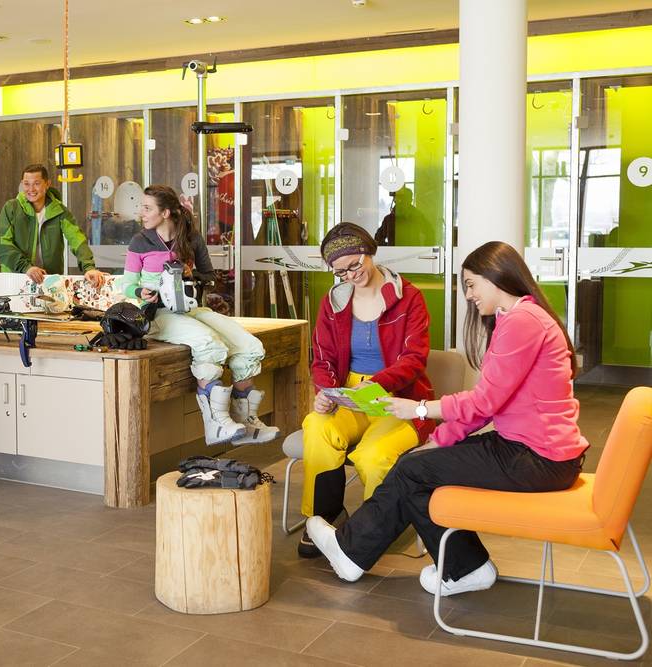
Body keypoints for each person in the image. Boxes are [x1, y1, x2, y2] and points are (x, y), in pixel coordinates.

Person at [306, 241, 588, 596]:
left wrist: (420, 409)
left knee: (412, 470)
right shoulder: (515, 318)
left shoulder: (523, 321)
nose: (468, 295)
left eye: (471, 284)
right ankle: (464, 567)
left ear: (495, 276)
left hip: (537, 458)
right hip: (529, 451)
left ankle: (357, 552)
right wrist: (438, 440)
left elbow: (484, 402)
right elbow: (489, 404)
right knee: (416, 465)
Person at [297, 222, 433, 559]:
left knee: (373, 456)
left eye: (355, 265)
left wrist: (378, 383)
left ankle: (373, 530)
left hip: (396, 399)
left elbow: (414, 359)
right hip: (350, 395)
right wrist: (326, 392)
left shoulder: (409, 298)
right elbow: (323, 358)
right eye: (340, 272)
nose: (350, 275)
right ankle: (325, 516)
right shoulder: (334, 303)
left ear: (369, 252)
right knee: (316, 425)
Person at [120, 184, 279, 446]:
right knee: (209, 344)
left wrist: (191, 274)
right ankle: (216, 424)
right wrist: (140, 290)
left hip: (191, 309)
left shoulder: (191, 238)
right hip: (156, 314)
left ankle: (245, 421)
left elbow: (209, 276)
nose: (141, 213)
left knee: (250, 346)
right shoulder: (140, 241)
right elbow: (125, 284)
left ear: (165, 212)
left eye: (147, 208)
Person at [0, 164, 105, 288]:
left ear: (47, 184)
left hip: (49, 281)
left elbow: (77, 239)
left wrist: (89, 267)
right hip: (15, 280)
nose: (31, 189)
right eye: (26, 184)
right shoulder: (11, 208)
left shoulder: (60, 211)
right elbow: (2, 245)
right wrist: (26, 267)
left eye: (36, 183)